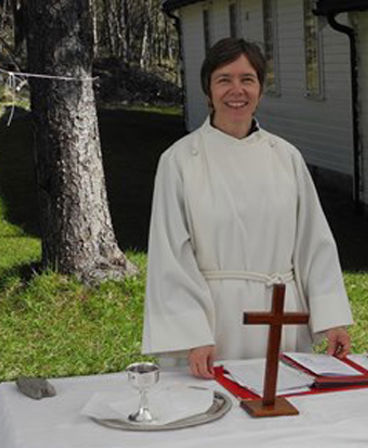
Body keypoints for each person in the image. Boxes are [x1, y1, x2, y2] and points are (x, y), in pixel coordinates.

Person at [142, 37, 353, 379]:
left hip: (281, 316)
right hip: (214, 324)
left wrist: (332, 319)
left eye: (247, 79)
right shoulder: (180, 161)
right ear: (208, 90)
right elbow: (171, 257)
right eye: (224, 79)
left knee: (283, 409)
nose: (236, 90)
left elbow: (314, 243)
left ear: (260, 89)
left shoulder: (285, 157)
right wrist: (192, 335)